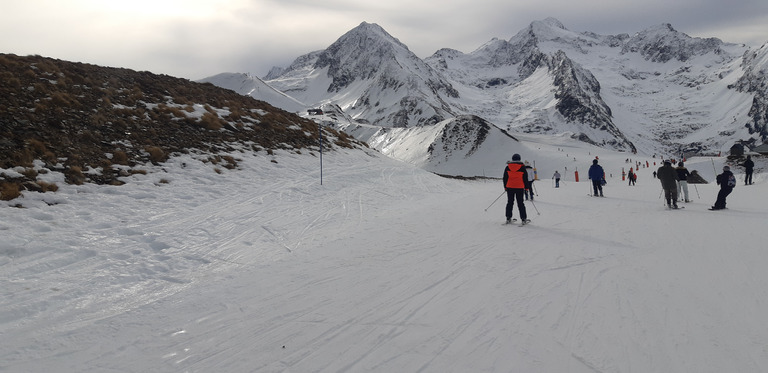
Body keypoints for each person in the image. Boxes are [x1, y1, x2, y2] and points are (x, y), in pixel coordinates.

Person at [503, 154, 529, 224]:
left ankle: (508, 218)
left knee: (510, 202)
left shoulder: (508, 167)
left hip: (510, 187)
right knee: (520, 203)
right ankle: (523, 219)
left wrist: (505, 187)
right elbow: (525, 178)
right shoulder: (522, 167)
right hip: (520, 187)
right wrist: (526, 188)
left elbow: (505, 178)